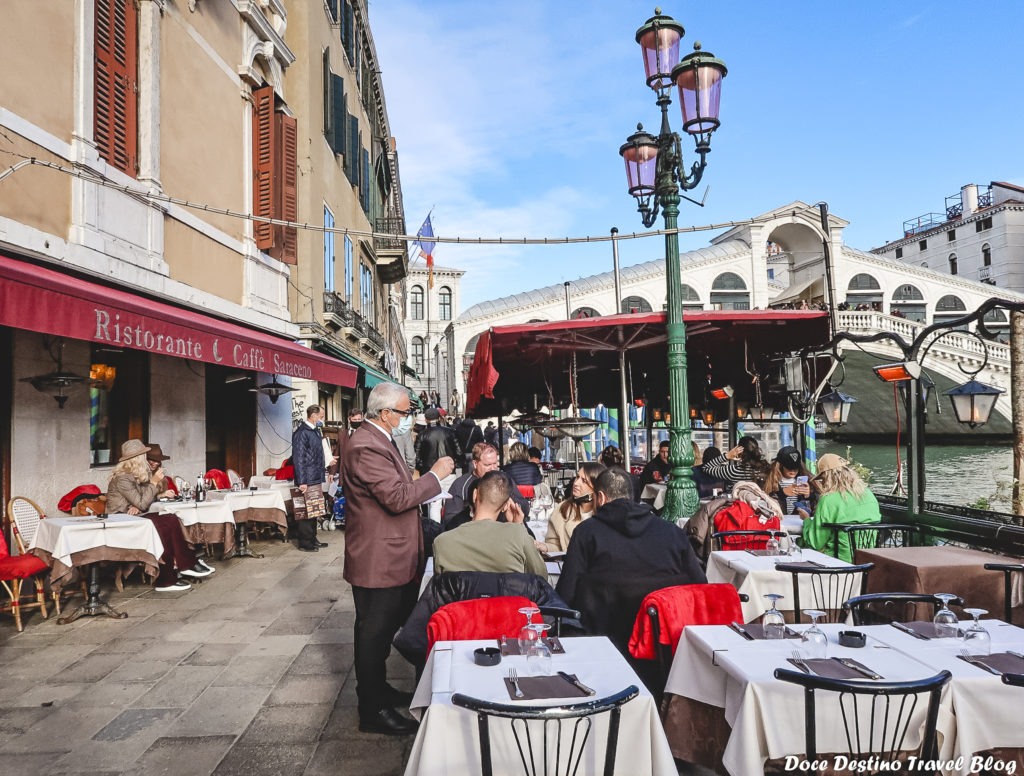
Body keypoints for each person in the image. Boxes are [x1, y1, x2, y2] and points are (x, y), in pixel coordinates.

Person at [342, 382, 455, 735]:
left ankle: (379, 690)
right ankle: (372, 710)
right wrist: (436, 476)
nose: (409, 419)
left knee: (384, 629)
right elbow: (395, 497)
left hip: (393, 554)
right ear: (386, 413)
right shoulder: (365, 445)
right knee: (373, 634)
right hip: (380, 557)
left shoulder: (377, 438)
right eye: (405, 413)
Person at [556, 468, 706, 607]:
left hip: (601, 631)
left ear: (601, 498)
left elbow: (566, 592)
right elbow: (700, 586)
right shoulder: (673, 532)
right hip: (662, 629)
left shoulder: (585, 533)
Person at [105, 440, 212, 592]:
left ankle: (184, 564)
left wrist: (137, 503)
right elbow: (143, 503)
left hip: (132, 517)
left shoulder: (134, 475)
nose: (145, 460)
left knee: (171, 519)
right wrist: (153, 483)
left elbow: (142, 501)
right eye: (143, 456)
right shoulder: (123, 478)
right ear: (136, 459)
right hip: (120, 521)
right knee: (162, 526)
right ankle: (166, 579)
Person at [433, 471, 547, 576]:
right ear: (506, 505)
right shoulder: (519, 536)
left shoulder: (442, 543)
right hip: (507, 598)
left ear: (474, 495)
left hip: (462, 598)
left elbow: (440, 586)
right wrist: (518, 526)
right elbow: (541, 576)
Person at [800, 453, 881, 563]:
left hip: (838, 563)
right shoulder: (868, 494)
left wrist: (806, 520)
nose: (822, 484)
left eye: (822, 480)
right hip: (868, 560)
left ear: (827, 477)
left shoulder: (828, 500)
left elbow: (815, 542)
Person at [442, 442, 531, 528]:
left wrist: (508, 497)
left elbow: (525, 508)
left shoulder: (503, 480)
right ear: (475, 464)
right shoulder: (461, 485)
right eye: (488, 465)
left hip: (503, 533)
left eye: (495, 463)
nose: (493, 468)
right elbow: (450, 521)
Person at [544, 462, 605, 553]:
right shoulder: (562, 510)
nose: (576, 483)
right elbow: (554, 545)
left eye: (584, 481)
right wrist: (544, 547)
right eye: (577, 477)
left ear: (596, 488)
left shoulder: (606, 516)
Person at [291, 404, 328, 552]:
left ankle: (313, 539)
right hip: (307, 478)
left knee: (315, 510)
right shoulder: (302, 433)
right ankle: (305, 543)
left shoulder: (315, 431)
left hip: (316, 476)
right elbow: (298, 458)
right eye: (321, 417)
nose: (322, 419)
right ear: (313, 416)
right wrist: (302, 481)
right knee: (306, 512)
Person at [701, 435, 769, 490]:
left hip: (741, 505)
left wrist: (727, 456)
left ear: (740, 451)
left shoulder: (734, 471)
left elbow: (706, 467)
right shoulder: (766, 468)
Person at [763, 445, 816, 515]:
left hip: (800, 521)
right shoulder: (768, 480)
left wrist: (809, 496)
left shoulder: (809, 480)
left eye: (796, 467)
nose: (793, 471)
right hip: (779, 521)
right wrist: (782, 493)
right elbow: (764, 503)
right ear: (780, 465)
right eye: (789, 467)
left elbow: (815, 508)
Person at [415, 408, 462, 477]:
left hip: (429, 472)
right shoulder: (450, 432)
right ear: (439, 419)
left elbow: (416, 456)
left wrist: (422, 468)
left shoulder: (422, 434)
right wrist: (454, 464)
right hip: (448, 471)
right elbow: (459, 452)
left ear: (426, 420)